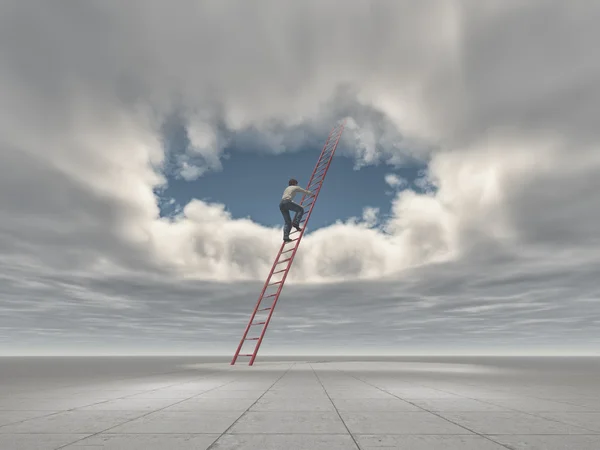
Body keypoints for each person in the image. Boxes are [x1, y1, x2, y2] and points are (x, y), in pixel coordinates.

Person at [280, 178, 314, 243]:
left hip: (282, 204)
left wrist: (296, 205)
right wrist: (312, 194)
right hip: (287, 202)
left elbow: (287, 198)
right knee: (300, 210)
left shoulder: (287, 189)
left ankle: (285, 237)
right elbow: (304, 191)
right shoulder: (295, 187)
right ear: (294, 183)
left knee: (288, 222)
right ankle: (296, 223)